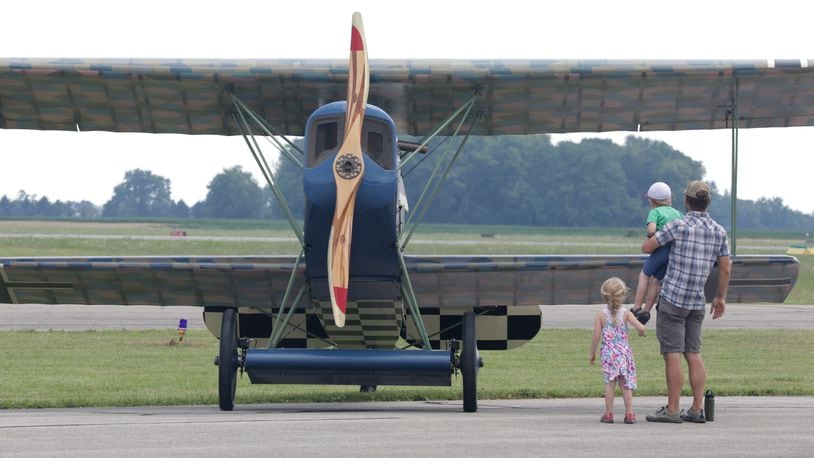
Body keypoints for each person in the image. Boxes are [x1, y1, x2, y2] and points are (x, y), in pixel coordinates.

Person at [641, 180, 731, 424]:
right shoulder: (719, 231)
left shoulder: (677, 226)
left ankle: (672, 409)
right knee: (693, 352)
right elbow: (724, 269)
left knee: (672, 353)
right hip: (696, 301)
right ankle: (697, 408)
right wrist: (720, 297)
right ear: (708, 202)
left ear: (686, 201)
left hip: (672, 299)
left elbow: (647, 247)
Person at [589, 277, 646, 424]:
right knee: (625, 384)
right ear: (622, 295)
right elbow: (641, 327)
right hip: (624, 354)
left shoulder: (600, 315)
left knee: (610, 383)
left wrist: (592, 353)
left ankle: (609, 414)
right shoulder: (626, 313)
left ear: (604, 296)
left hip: (609, 355)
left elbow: (596, 336)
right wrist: (641, 333)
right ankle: (629, 414)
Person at [631, 182, 683, 324]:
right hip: (672, 252)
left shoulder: (655, 212)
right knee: (655, 282)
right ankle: (646, 311)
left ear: (652, 200)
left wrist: (651, 237)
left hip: (660, 250)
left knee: (644, 276)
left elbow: (651, 230)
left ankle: (636, 307)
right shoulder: (678, 213)